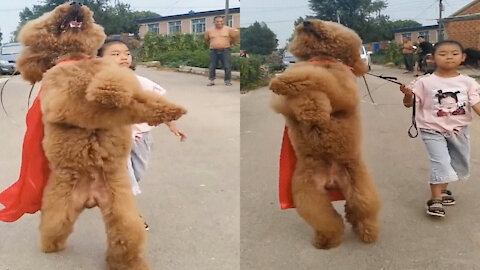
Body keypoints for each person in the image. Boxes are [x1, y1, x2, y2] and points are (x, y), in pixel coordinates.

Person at [98, 40, 187, 229]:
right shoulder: (98, 84)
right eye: (114, 54)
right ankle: (129, 216)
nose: (123, 57)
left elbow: (157, 103)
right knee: (122, 180)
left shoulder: (140, 82)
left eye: (126, 53)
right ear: (99, 59)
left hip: (140, 138)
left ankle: (116, 200)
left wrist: (171, 124)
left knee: (137, 173)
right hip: (113, 140)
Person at [399, 40, 480, 217]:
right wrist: (407, 96)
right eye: (442, 54)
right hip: (432, 129)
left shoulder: (469, 83)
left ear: (463, 57)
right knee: (441, 162)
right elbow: (410, 104)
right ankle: (435, 199)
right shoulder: (424, 82)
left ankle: (443, 191)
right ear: (432, 58)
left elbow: (476, 104)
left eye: (454, 53)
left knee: (456, 163)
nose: (449, 57)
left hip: (459, 131)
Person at [204, 16, 239, 86]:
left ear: (223, 22)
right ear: (214, 22)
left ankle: (227, 81)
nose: (219, 23)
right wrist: (213, 44)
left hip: (225, 50)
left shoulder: (228, 29)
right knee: (212, 66)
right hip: (213, 50)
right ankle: (212, 80)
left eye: (221, 21)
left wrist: (231, 43)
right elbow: (206, 40)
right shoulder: (209, 31)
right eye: (217, 21)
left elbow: (235, 37)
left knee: (227, 66)